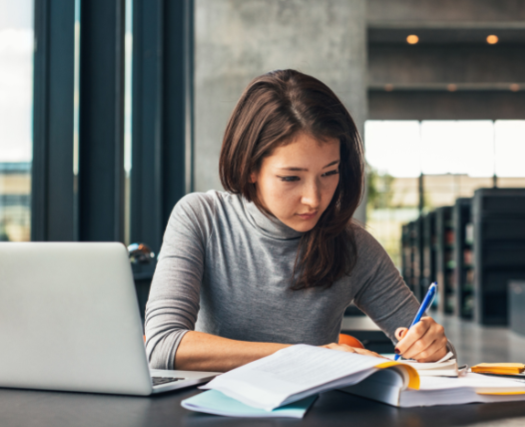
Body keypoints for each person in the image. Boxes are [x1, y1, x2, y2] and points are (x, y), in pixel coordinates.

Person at [145, 69, 449, 372]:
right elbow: (163, 346)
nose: (314, 199)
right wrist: (311, 355)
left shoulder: (353, 245)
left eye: (329, 173)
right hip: (210, 413)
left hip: (313, 417)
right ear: (250, 168)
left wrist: (433, 348)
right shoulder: (202, 218)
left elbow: (444, 360)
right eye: (291, 177)